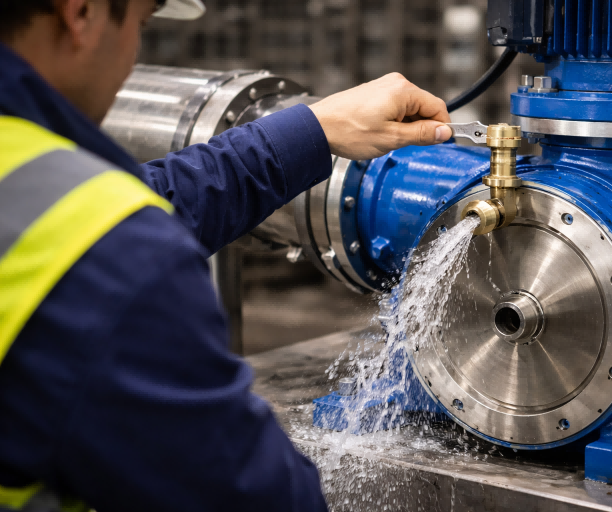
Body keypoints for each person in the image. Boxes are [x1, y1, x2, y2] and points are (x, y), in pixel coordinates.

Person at [0, 0, 453, 510]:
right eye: (142, 25)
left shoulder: (37, 189)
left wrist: (315, 127)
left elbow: (142, 201)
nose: (133, 58)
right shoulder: (116, 265)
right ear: (81, 12)